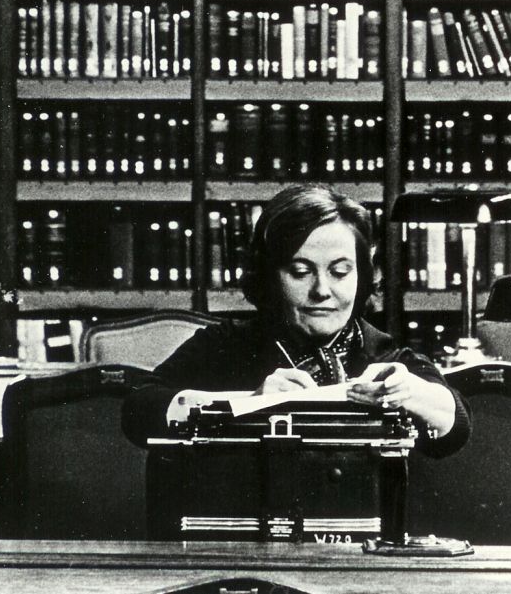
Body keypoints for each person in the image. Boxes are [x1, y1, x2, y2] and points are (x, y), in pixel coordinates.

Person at [122, 183, 470, 456]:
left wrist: (409, 392)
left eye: (340, 272)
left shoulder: (387, 358)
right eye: (301, 272)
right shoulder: (226, 345)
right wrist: (249, 403)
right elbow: (138, 410)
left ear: (363, 277)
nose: (322, 290)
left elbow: (456, 426)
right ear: (271, 276)